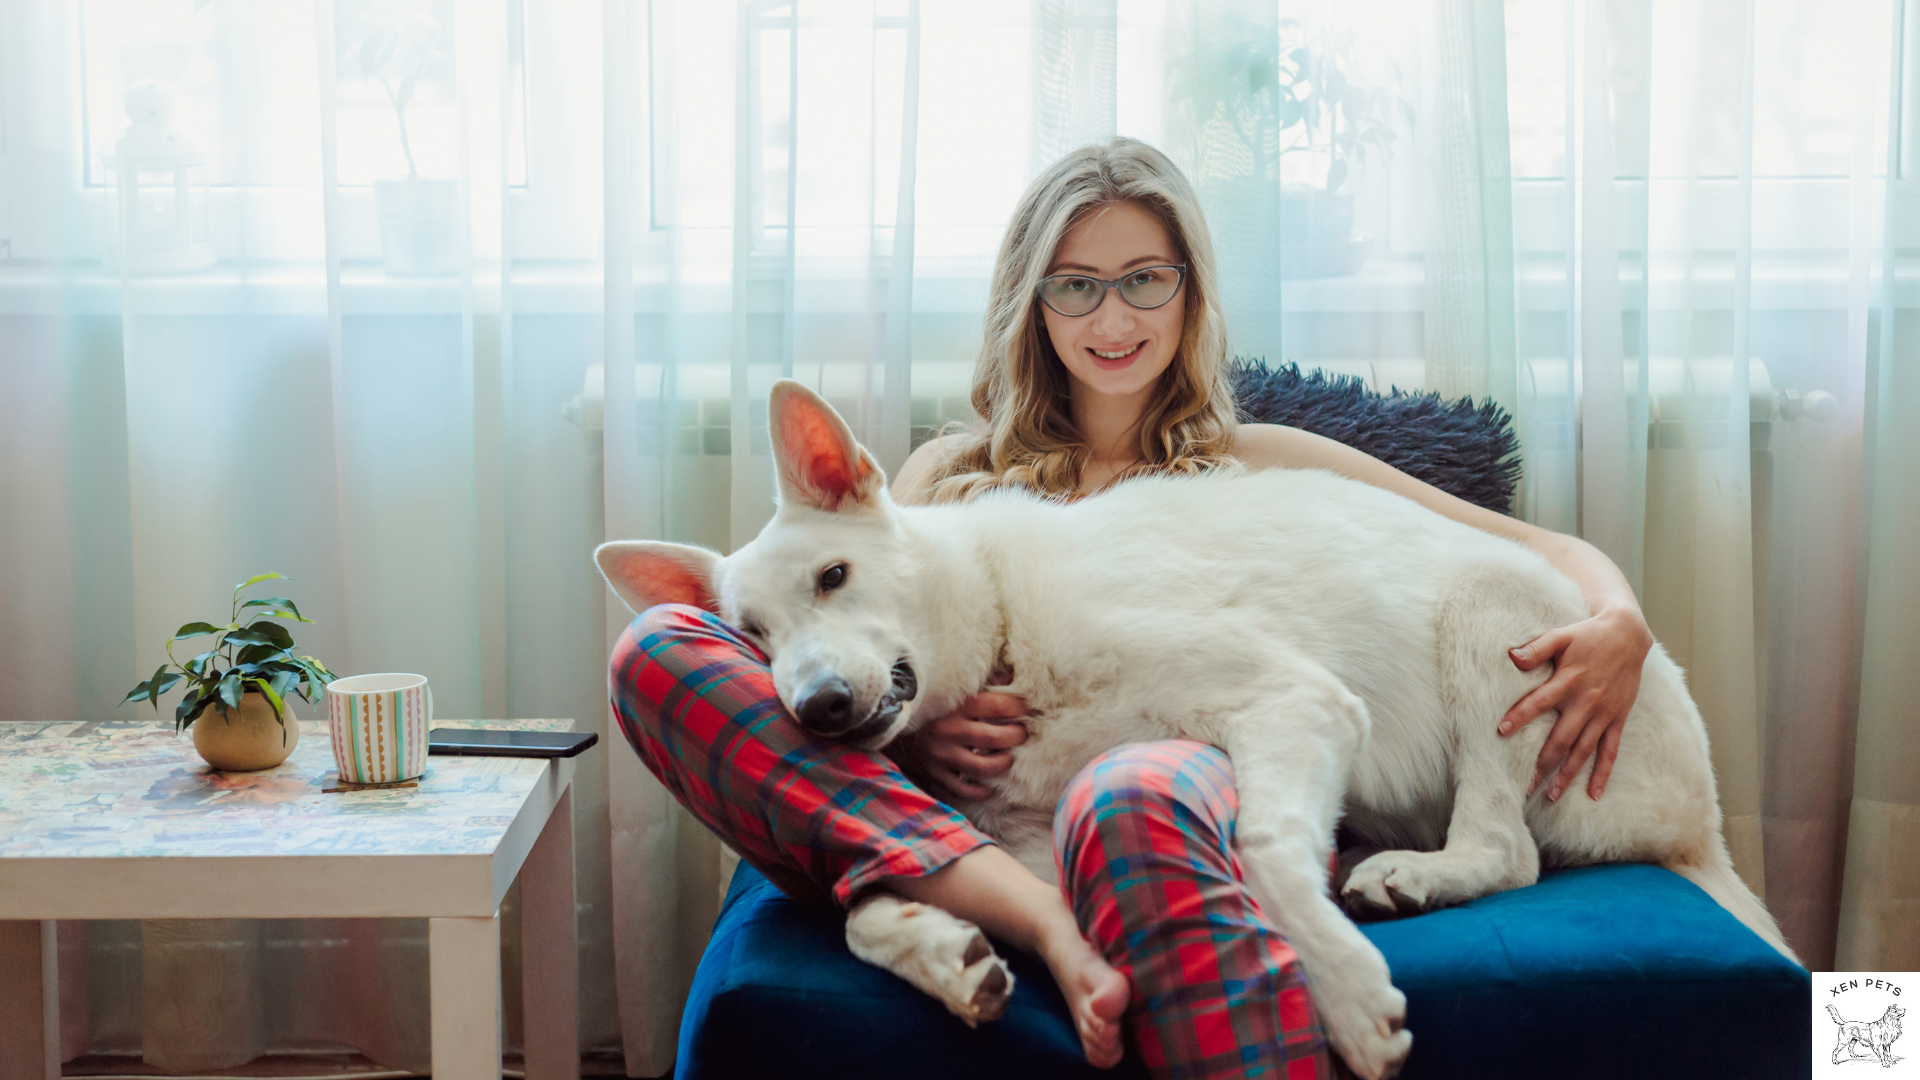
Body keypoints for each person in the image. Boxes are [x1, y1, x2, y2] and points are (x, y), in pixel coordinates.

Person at [609, 138, 1654, 1080]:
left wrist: (1620, 619)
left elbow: (1521, 551)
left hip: (1184, 748)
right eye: (1077, 287)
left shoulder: (1258, 457)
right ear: (1033, 302)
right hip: (988, 809)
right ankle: (988, 916)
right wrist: (920, 751)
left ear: (1190, 293)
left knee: (1129, 797)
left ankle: (1117, 943)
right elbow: (861, 662)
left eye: (1145, 280)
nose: (1114, 319)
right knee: (658, 653)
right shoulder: (943, 479)